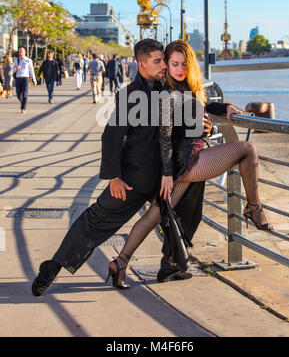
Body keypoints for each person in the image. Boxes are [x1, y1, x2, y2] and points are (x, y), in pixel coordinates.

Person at [109, 39, 273, 286]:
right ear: (167, 64)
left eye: (184, 63)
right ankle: (253, 208)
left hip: (182, 164)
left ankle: (120, 262)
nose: (180, 68)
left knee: (153, 216)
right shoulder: (168, 92)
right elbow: (164, 134)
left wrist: (222, 106)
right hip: (190, 161)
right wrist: (166, 174)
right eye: (174, 63)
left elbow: (199, 106)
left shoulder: (185, 87)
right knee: (247, 149)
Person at [31, 38, 169, 296]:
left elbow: (194, 101)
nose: (163, 66)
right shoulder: (130, 95)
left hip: (163, 177)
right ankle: (52, 267)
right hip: (134, 177)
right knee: (95, 223)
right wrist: (113, 177)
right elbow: (112, 136)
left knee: (173, 220)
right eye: (157, 61)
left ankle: (161, 266)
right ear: (141, 64)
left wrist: (222, 109)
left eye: (164, 60)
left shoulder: (167, 88)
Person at [12, 47, 37, 114]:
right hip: (18, 78)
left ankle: (23, 108)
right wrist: (16, 68)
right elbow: (12, 69)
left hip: (25, 78)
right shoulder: (16, 60)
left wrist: (34, 80)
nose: (21, 53)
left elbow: (31, 71)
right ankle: (22, 103)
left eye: (22, 51)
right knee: (18, 94)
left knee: (25, 94)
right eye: (20, 51)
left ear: (25, 52)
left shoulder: (28, 60)